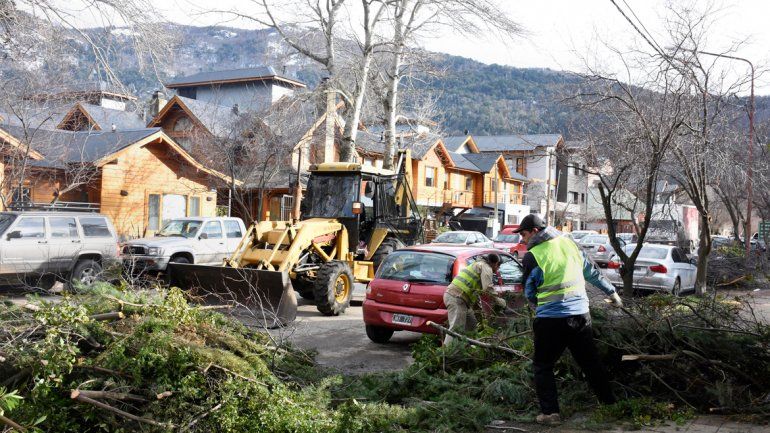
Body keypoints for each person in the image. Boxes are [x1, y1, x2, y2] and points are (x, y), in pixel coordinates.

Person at [514, 214, 623, 426]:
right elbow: (592, 272)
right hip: (580, 316)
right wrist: (612, 292)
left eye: (524, 234)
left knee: (543, 365)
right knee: (590, 362)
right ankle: (610, 403)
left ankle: (551, 414)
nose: (523, 240)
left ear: (535, 232)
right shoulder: (570, 244)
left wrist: (539, 308)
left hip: (550, 321)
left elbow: (529, 292)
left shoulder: (533, 256)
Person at [443, 252, 507, 345]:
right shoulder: (486, 267)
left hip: (460, 299)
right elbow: (488, 288)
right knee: (456, 329)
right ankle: (446, 356)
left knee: (472, 325)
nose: (498, 269)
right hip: (456, 298)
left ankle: (470, 352)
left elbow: (475, 291)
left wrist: (478, 311)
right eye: (499, 266)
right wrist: (499, 301)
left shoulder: (477, 265)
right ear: (496, 263)